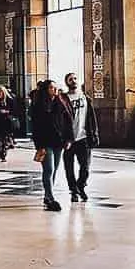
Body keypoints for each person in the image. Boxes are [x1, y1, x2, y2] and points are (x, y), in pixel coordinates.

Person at [30, 80, 75, 212]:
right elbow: (36, 127)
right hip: (45, 142)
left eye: (55, 88)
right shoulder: (38, 106)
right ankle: (50, 197)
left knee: (55, 169)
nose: (54, 90)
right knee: (48, 169)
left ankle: (47, 195)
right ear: (45, 89)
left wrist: (69, 139)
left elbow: (68, 122)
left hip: (59, 141)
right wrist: (39, 145)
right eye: (51, 88)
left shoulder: (61, 103)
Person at [63, 73, 100, 202]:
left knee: (85, 166)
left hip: (83, 137)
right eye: (70, 79)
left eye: (75, 78)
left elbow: (92, 118)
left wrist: (94, 134)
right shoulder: (63, 99)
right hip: (69, 139)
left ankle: (81, 185)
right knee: (69, 167)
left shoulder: (85, 98)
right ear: (67, 83)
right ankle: (73, 190)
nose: (73, 81)